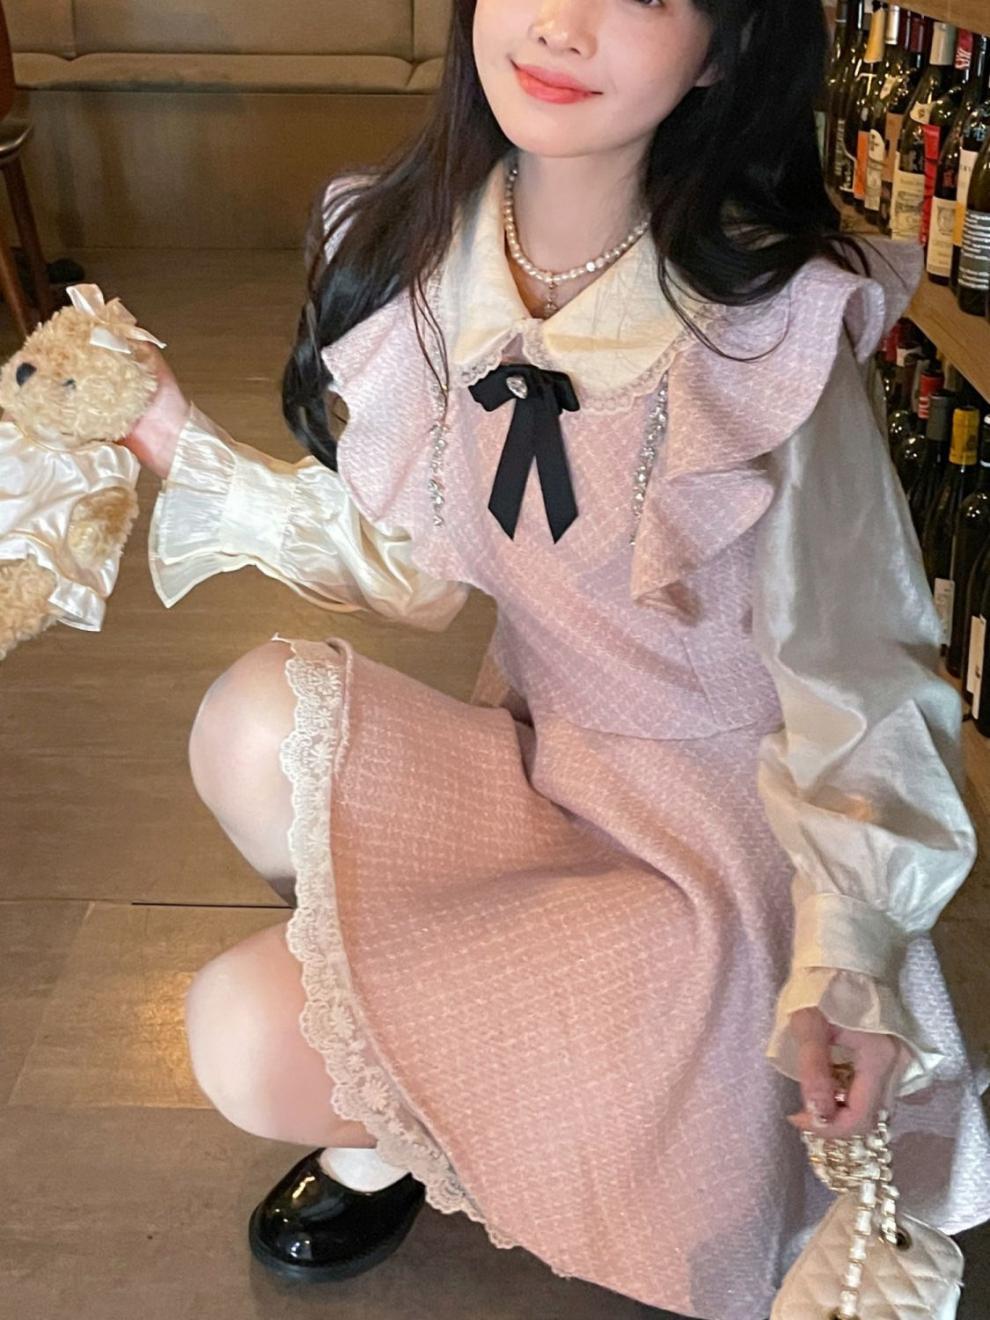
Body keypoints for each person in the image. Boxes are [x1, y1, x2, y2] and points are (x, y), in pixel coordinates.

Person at [118, 0, 990, 1316]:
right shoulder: (430, 255)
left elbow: (863, 684)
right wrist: (174, 437)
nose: (563, 25)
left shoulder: (762, 329)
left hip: (710, 855)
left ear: (724, 46)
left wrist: (849, 956)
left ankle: (505, 1095)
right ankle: (415, 1097)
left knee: (245, 1031)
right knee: (251, 722)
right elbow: (419, 568)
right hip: (536, 753)